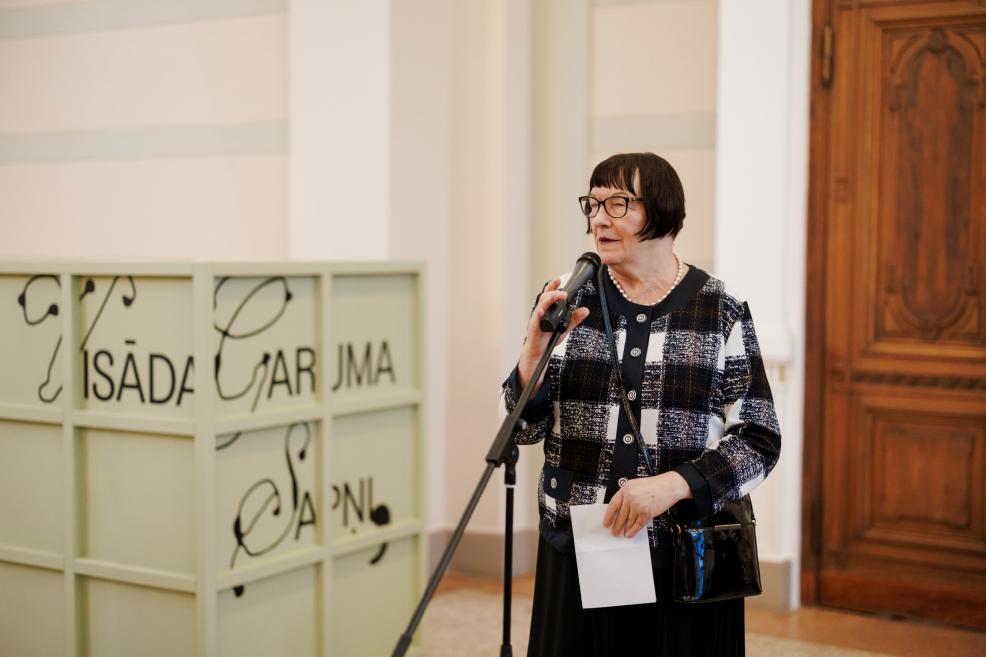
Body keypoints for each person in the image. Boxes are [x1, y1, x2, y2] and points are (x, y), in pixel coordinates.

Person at [501, 152, 782, 656]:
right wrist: (533, 352)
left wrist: (673, 486)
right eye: (593, 203)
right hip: (577, 547)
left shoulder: (720, 308)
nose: (598, 219)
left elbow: (759, 440)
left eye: (617, 203)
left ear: (664, 212)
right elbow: (521, 430)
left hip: (680, 558)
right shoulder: (567, 300)